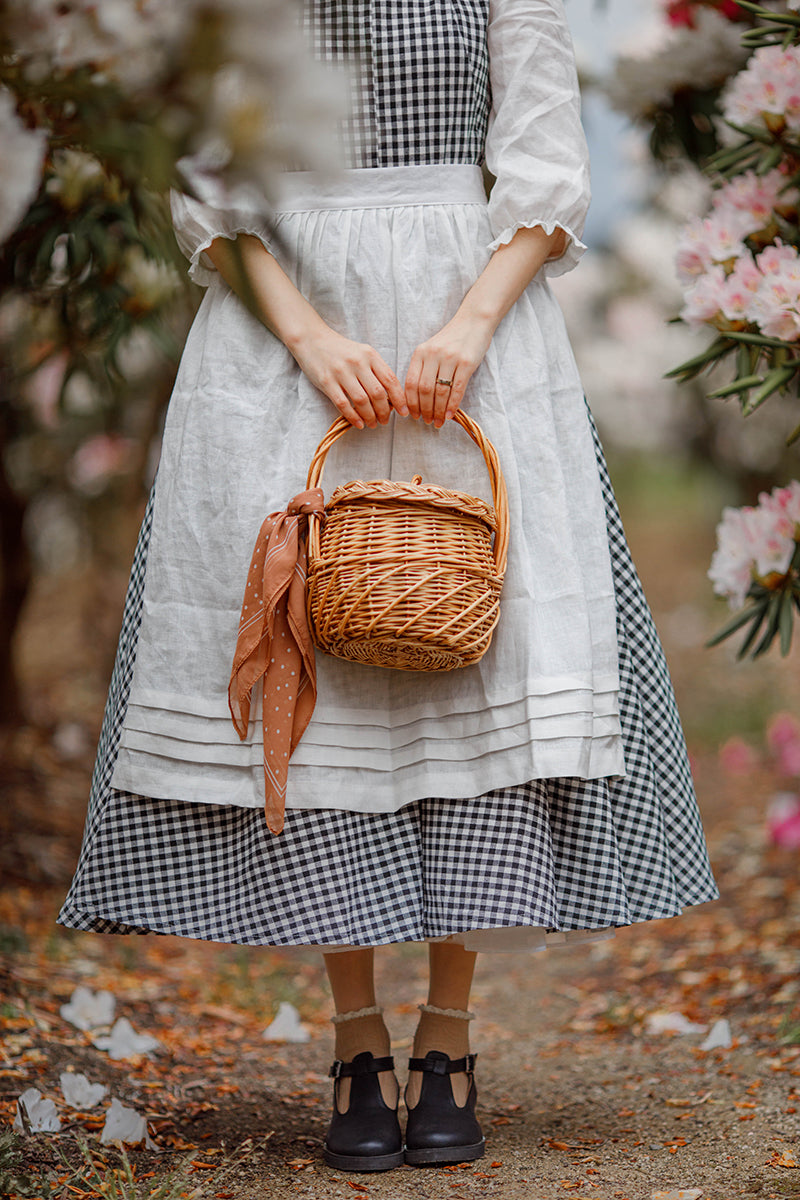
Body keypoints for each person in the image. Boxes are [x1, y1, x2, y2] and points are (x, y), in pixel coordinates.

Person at [58, 0, 719, 1175]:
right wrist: (311, 341)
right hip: (285, 341)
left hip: (472, 330)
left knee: (460, 655)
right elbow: (210, 176)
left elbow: (540, 158)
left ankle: (448, 1037)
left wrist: (467, 324)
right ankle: (356, 1039)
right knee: (320, 660)